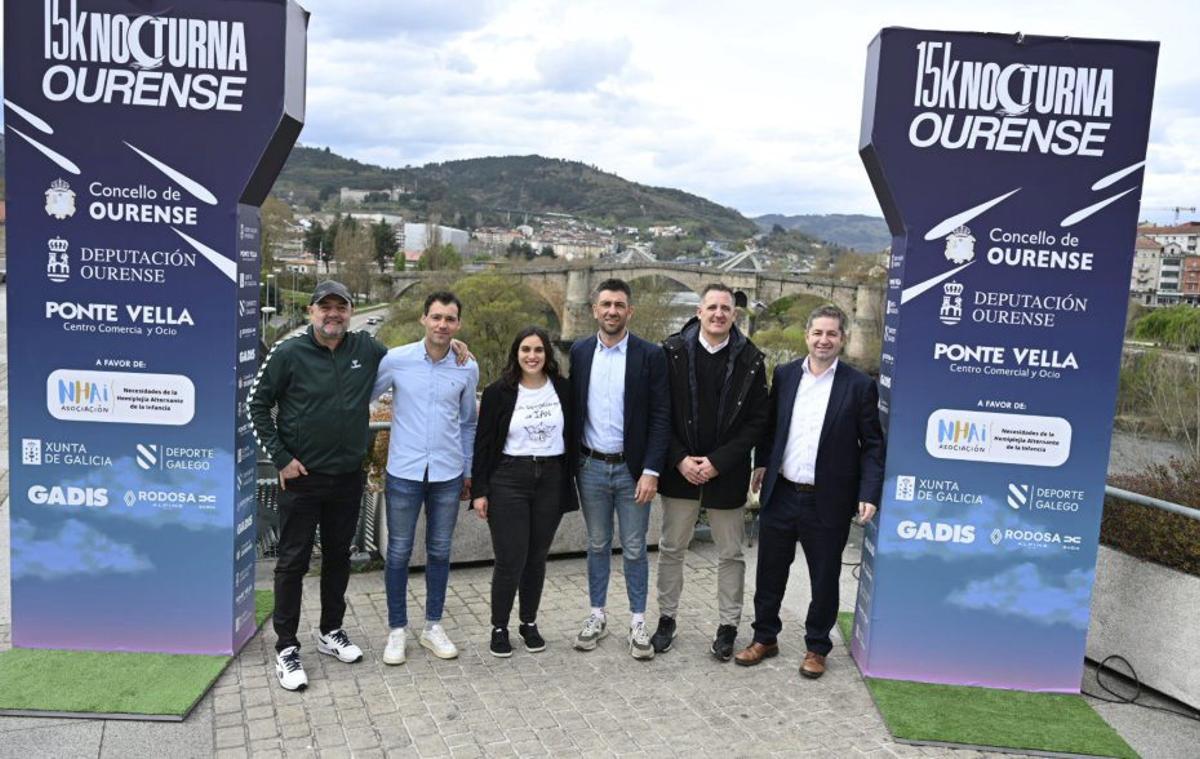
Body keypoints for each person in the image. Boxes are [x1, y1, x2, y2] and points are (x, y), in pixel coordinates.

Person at [734, 304, 885, 679]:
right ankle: (764, 637)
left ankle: (817, 647)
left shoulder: (859, 385)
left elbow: (873, 445)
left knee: (824, 577)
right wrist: (761, 463)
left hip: (827, 499)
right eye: (817, 332)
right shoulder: (785, 376)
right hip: (781, 492)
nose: (823, 340)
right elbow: (771, 428)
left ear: (842, 339)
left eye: (832, 333)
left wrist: (868, 492)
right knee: (769, 572)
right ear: (807, 335)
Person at [248, 281, 384, 691]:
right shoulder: (289, 352)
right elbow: (256, 404)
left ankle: (330, 632)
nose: (333, 315)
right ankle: (287, 647)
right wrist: (281, 459)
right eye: (325, 308)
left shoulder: (366, 349)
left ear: (350, 311)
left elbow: (414, 359)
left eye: (340, 308)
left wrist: (456, 348)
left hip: (347, 477)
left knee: (339, 558)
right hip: (302, 479)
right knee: (293, 562)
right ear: (311, 313)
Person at [652, 284, 768, 661]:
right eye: (712, 307)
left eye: (726, 309)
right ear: (699, 311)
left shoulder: (751, 359)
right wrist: (679, 458)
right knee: (671, 548)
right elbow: (660, 413)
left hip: (727, 472)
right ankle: (666, 619)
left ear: (734, 315)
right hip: (679, 470)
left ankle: (728, 626)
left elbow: (757, 422)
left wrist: (718, 461)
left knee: (731, 553)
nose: (719, 314)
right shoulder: (671, 352)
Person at [373, 291, 479, 665]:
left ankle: (432, 625)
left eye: (450, 319)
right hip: (404, 472)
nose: (442, 325)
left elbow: (468, 423)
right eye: (436, 317)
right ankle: (397, 630)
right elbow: (366, 395)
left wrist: (468, 470)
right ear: (423, 319)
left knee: (440, 551)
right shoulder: (396, 360)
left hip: (448, 475)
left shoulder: (467, 366)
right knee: (399, 553)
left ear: (458, 324)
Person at [569, 278, 670, 659]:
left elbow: (662, 417)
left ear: (630, 311)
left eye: (619, 305)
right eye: (606, 304)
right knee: (596, 544)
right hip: (591, 466)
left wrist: (651, 470)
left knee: (633, 549)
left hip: (633, 472)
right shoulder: (579, 352)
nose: (612, 311)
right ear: (595, 309)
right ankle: (596, 615)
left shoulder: (649, 355)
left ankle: (638, 620)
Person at [471, 326, 577, 657]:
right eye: (525, 349)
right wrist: (480, 490)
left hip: (551, 478)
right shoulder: (497, 392)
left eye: (539, 350)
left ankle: (528, 623)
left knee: (536, 557)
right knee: (510, 558)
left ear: (548, 355)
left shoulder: (563, 389)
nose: (532, 356)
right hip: (508, 478)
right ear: (516, 354)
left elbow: (573, 434)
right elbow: (483, 445)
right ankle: (499, 626)